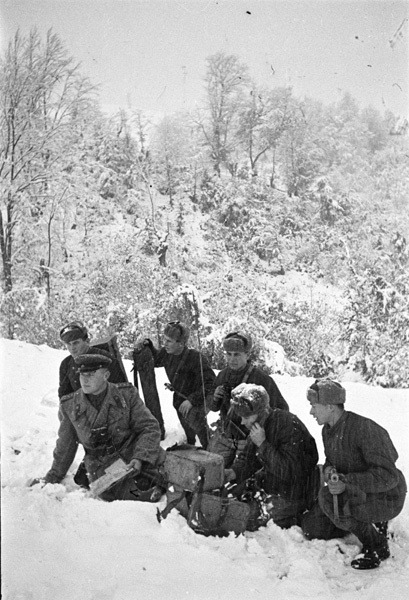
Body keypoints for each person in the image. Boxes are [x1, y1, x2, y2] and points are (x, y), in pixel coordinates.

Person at [301, 378, 407, 570]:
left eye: (314, 406)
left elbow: (389, 476)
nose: (311, 412)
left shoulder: (365, 430)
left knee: (334, 502)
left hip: (388, 494)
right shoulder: (328, 430)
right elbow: (331, 460)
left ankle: (377, 546)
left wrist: (347, 481)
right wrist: (329, 471)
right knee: (312, 529)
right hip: (358, 490)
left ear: (330, 406)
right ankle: (368, 524)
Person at [32, 351, 165, 502]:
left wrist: (140, 457)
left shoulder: (126, 395)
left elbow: (149, 427)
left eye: (91, 374)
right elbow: (65, 446)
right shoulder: (69, 406)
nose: (85, 380)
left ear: (106, 376)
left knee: (169, 469)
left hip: (131, 451)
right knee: (128, 492)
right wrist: (53, 476)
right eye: (82, 375)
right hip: (102, 464)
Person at [224, 383, 320, 529]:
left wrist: (263, 445)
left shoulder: (288, 426)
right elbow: (248, 459)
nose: (242, 422)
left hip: (295, 492)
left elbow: (290, 472)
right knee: (227, 500)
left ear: (261, 412)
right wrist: (233, 472)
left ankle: (295, 516)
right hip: (270, 483)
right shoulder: (260, 425)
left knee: (242, 518)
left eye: (246, 416)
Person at [207, 331, 289, 467]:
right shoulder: (222, 375)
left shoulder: (261, 378)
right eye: (229, 354)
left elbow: (281, 409)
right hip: (225, 434)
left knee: (242, 478)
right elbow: (213, 407)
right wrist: (215, 397)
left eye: (237, 354)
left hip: (248, 439)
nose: (232, 359)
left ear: (247, 355)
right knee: (209, 469)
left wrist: (261, 430)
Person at [142, 321, 216, 448]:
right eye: (165, 339)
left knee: (198, 424)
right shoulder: (167, 353)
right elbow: (158, 359)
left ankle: (210, 449)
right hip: (180, 398)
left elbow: (211, 384)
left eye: (169, 341)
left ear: (181, 343)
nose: (165, 344)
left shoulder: (195, 358)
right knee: (187, 428)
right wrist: (149, 347)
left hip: (199, 399)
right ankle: (191, 444)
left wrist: (192, 400)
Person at [58, 320, 127, 399]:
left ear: (87, 341)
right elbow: (64, 396)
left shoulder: (105, 359)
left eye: (76, 343)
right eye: (68, 344)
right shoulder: (66, 364)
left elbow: (121, 389)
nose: (72, 348)